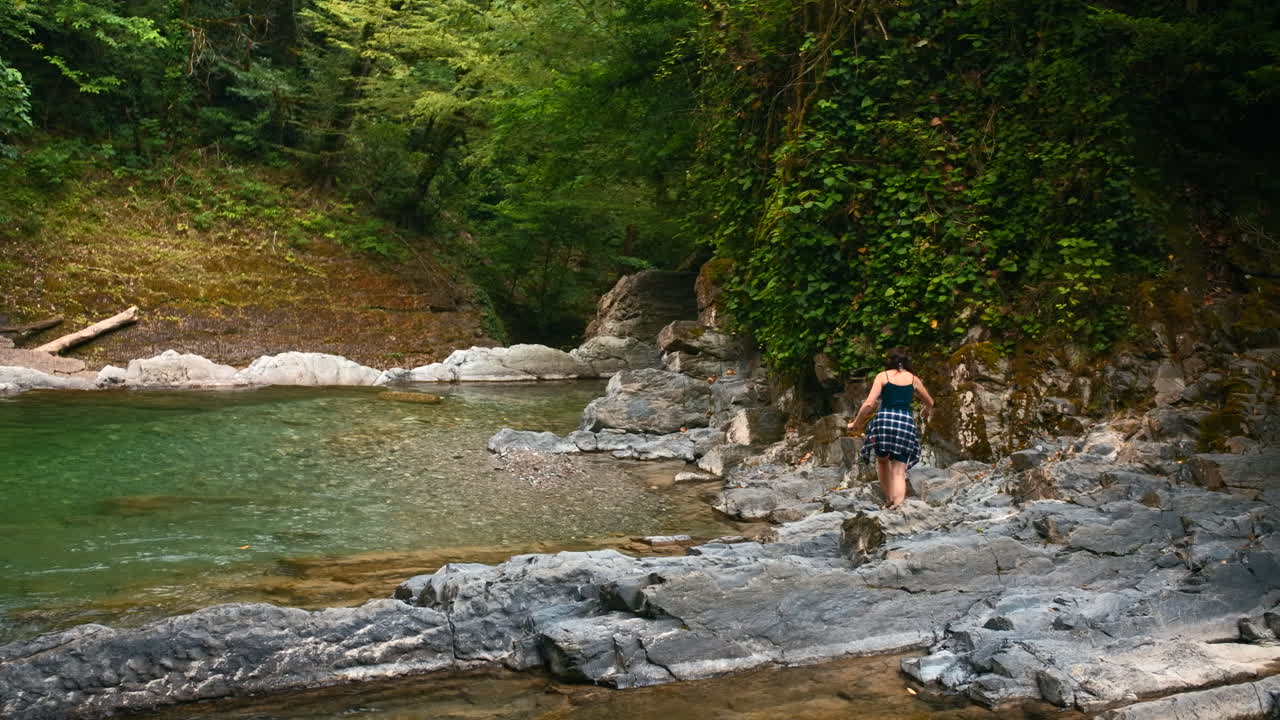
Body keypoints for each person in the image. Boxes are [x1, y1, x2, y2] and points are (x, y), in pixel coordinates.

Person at [846, 347, 934, 509]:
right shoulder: (914, 379)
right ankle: (899, 505)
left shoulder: (883, 376)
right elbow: (930, 402)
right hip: (905, 422)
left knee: (882, 460)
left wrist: (856, 423)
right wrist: (926, 411)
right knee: (899, 469)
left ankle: (889, 499)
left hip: (885, 420)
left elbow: (869, 404)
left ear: (890, 361)